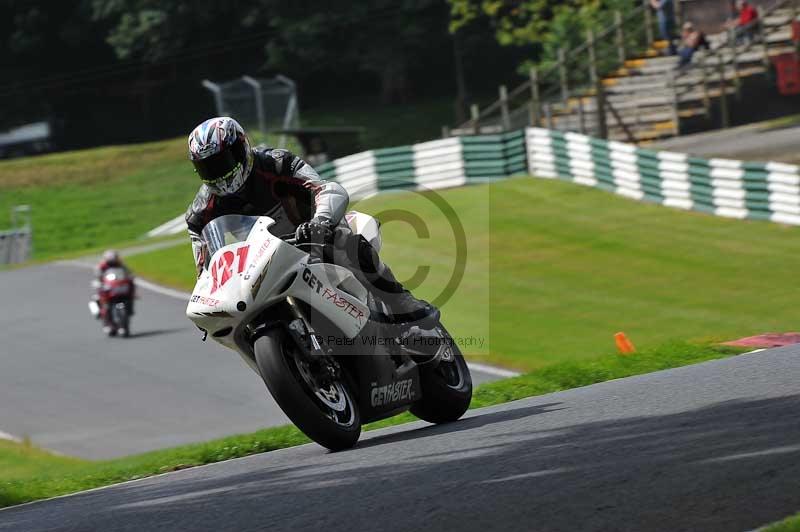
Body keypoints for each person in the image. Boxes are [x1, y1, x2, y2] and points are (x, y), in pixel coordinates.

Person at [184, 116, 438, 327]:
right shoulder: (200, 214)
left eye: (223, 162)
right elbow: (206, 271)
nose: (220, 173)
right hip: (261, 266)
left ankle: (402, 303)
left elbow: (326, 189)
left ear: (241, 149)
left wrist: (320, 222)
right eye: (209, 167)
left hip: (311, 238)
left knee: (344, 242)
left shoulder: (276, 163)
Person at [93, 250, 135, 332]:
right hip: (107, 287)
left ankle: (129, 310)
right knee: (103, 303)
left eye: (114, 259)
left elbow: (128, 272)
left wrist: (130, 277)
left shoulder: (121, 265)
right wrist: (99, 282)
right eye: (110, 259)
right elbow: (98, 275)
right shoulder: (101, 266)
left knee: (130, 295)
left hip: (119, 286)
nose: (113, 261)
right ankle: (106, 322)